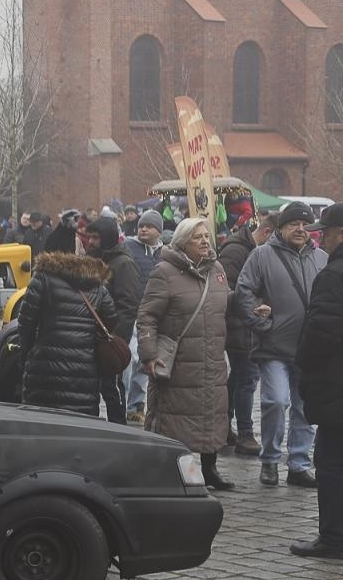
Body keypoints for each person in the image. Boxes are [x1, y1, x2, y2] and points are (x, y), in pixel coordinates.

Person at [135, 217, 235, 491]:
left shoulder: (217, 269)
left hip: (211, 357)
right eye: (197, 237)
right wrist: (148, 353)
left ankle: (210, 468)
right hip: (179, 360)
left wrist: (251, 306)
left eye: (206, 236)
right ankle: (179, 471)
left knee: (212, 414)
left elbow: (226, 302)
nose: (204, 241)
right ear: (182, 242)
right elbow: (147, 316)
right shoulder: (164, 272)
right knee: (178, 417)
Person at [236, 201, 327, 487]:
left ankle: (299, 464)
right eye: (293, 224)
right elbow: (244, 291)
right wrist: (262, 324)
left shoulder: (321, 258)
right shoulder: (262, 255)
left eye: (304, 225)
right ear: (281, 227)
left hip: (310, 348)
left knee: (305, 407)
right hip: (274, 345)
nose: (300, 229)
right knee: (276, 401)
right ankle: (270, 460)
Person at [293, 204, 343, 557]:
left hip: (336, 385)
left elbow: (321, 333)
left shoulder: (333, 275)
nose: (319, 235)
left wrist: (303, 363)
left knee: (330, 463)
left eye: (325, 230)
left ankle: (334, 538)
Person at [17, 248, 120, 418]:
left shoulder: (42, 278)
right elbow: (111, 319)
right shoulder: (98, 286)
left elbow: (25, 322)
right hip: (84, 370)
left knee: (41, 423)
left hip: (44, 368)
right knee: (80, 426)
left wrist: (27, 352)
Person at [216, 213, 274, 456]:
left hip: (251, 323)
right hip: (240, 324)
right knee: (247, 378)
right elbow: (227, 290)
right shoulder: (236, 250)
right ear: (268, 232)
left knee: (240, 377)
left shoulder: (253, 248)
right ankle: (245, 433)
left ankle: (223, 426)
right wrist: (253, 306)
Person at [90, 217, 141, 424]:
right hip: (94, 337)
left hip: (110, 339)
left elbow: (128, 307)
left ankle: (119, 425)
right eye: (90, 237)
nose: (91, 242)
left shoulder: (124, 264)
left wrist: (116, 340)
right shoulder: (96, 261)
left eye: (96, 237)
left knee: (112, 389)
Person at [123, 209, 167, 420]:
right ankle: (123, 400)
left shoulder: (164, 253)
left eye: (148, 226)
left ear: (158, 230)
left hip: (152, 314)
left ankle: (135, 405)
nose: (143, 229)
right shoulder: (128, 247)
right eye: (141, 225)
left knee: (143, 360)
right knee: (129, 358)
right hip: (132, 311)